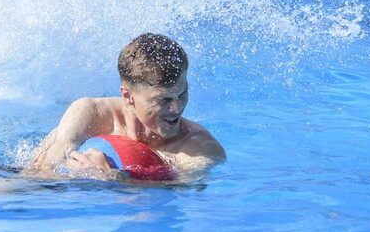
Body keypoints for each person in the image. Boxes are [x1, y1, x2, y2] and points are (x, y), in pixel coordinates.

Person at [24, 33, 226, 180]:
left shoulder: (199, 148)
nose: (176, 108)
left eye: (182, 94)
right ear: (128, 95)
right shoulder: (90, 114)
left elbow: (180, 193)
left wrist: (111, 177)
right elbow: (46, 173)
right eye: (162, 101)